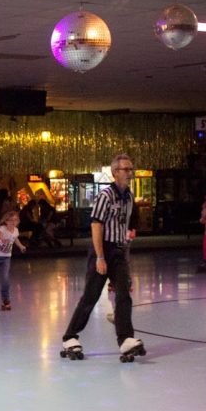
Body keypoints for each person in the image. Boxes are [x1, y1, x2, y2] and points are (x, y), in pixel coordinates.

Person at [59, 154, 145, 362]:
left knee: (124, 294)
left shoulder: (129, 197)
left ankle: (125, 339)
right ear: (115, 172)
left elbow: (127, 223)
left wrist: (126, 245)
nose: (129, 173)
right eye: (126, 169)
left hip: (119, 250)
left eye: (131, 169)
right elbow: (96, 225)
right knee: (91, 296)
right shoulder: (105, 196)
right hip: (103, 250)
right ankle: (70, 337)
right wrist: (99, 257)